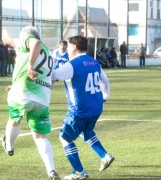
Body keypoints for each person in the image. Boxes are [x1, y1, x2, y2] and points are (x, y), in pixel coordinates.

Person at [2, 26, 60, 180]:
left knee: (14, 119)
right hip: (43, 98)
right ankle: (51, 171)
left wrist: (30, 66)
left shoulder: (31, 40)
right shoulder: (49, 54)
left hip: (24, 92)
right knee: (40, 136)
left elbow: (35, 43)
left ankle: (9, 146)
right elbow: (52, 78)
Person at [52, 35, 114, 180]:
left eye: (69, 47)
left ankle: (79, 171)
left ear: (74, 47)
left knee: (65, 137)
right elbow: (105, 80)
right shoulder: (94, 62)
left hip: (79, 110)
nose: (67, 50)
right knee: (86, 132)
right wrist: (105, 96)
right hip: (96, 107)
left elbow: (54, 75)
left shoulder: (72, 64)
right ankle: (105, 156)